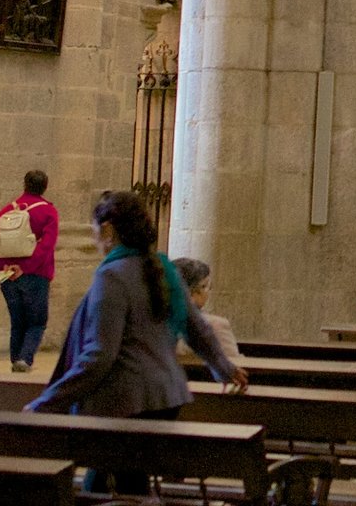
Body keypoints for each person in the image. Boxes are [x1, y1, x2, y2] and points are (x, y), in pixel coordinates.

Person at [27, 192, 248, 493]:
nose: (95, 242)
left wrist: (50, 401)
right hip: (165, 397)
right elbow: (197, 328)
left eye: (95, 233)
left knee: (113, 480)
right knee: (123, 481)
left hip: (125, 401)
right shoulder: (162, 267)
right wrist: (222, 367)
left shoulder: (112, 275)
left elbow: (100, 354)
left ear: (108, 230)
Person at [0, 169, 60, 372]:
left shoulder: (6, 211)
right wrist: (26, 268)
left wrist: (3, 267)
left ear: (24, 185)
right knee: (37, 321)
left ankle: (15, 359)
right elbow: (47, 246)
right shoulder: (48, 212)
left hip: (7, 275)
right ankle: (24, 359)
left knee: (17, 321)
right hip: (35, 275)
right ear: (45, 187)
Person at [172, 258, 241, 364]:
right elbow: (233, 367)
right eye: (207, 286)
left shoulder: (151, 324)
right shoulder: (216, 325)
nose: (208, 291)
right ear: (194, 291)